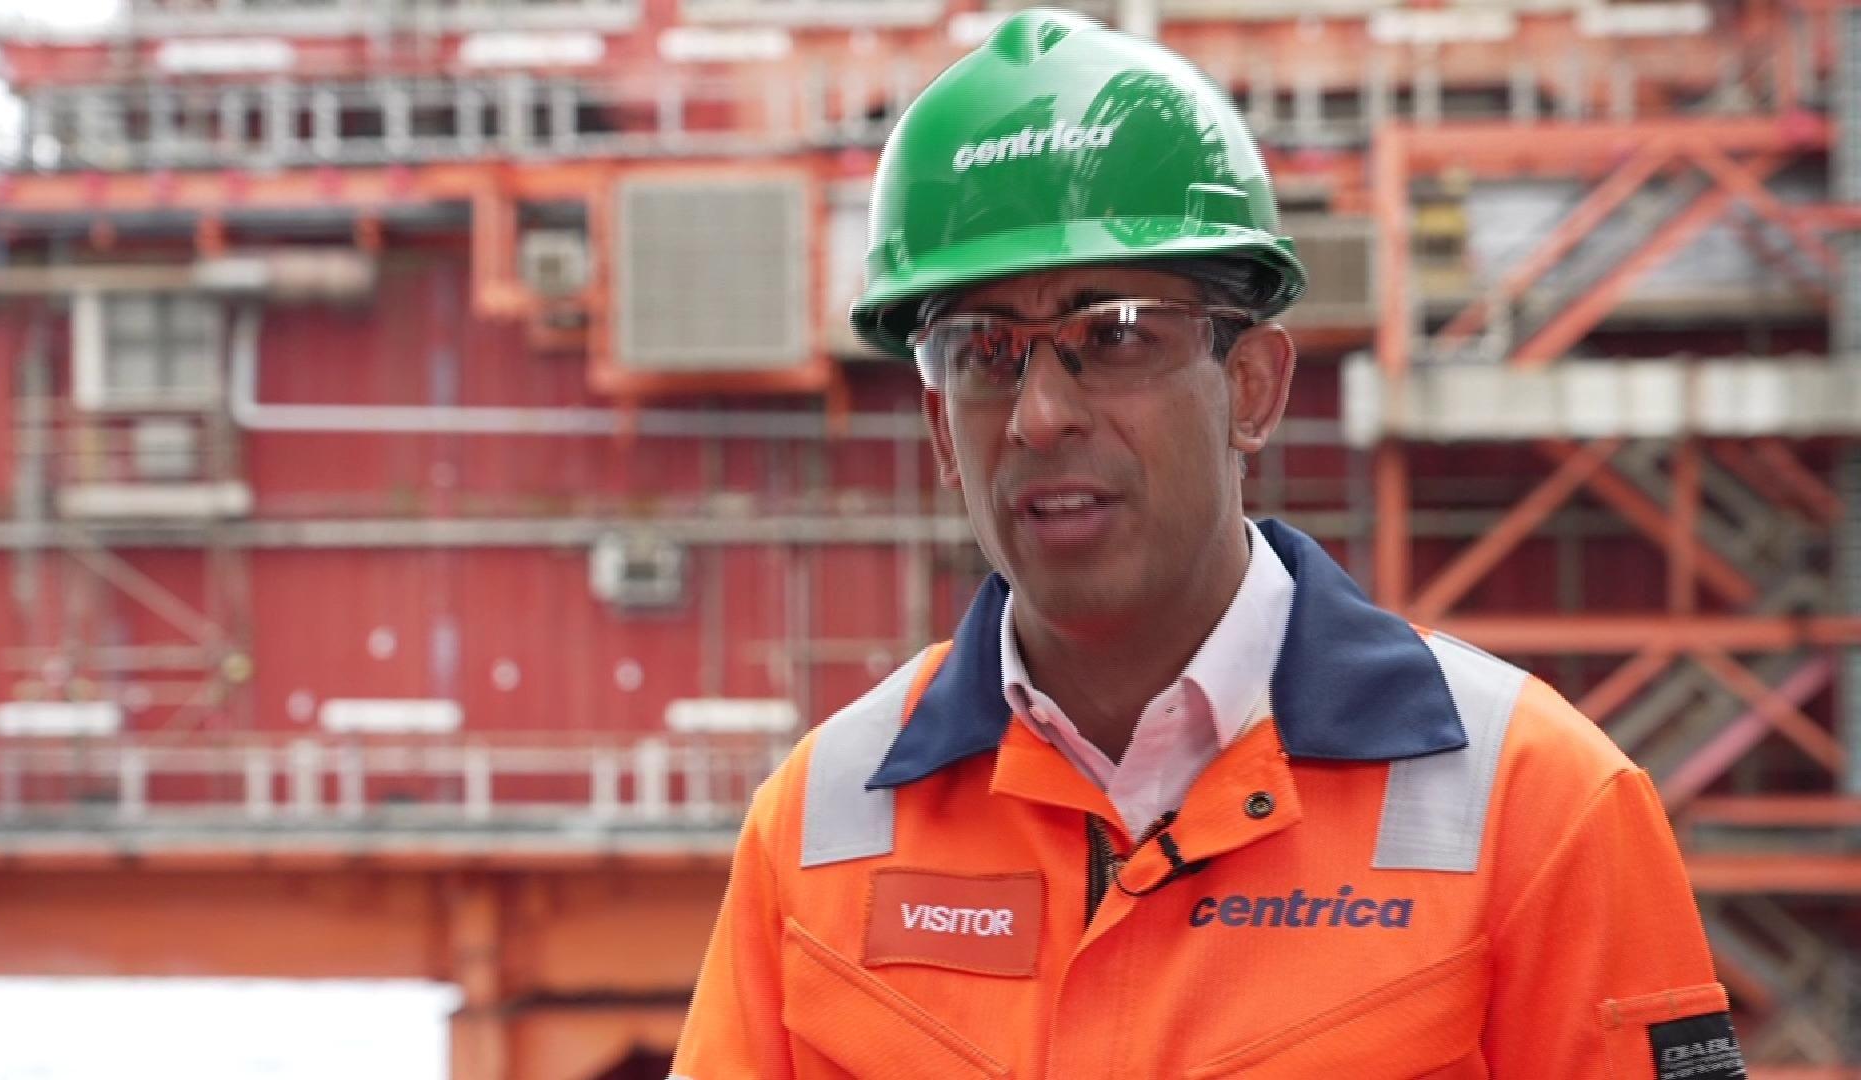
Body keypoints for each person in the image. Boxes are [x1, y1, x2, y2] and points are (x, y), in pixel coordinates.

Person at [672, 10, 1743, 1078]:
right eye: (985, 352)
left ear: (1251, 386)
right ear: (940, 431)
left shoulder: (1536, 808)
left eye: (1116, 335)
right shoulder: (819, 826)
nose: (1040, 414)